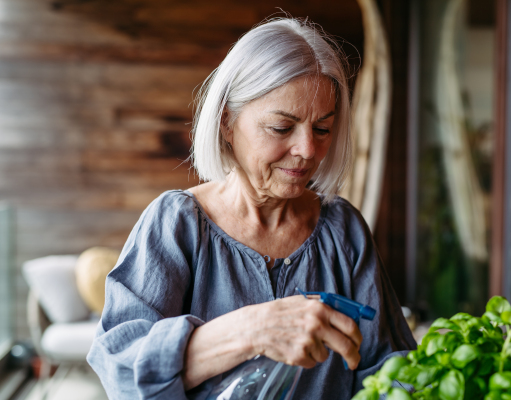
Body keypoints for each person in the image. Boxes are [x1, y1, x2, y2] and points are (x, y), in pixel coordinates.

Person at [87, 17, 416, 400]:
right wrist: (254, 329)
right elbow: (121, 372)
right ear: (227, 121)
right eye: (281, 127)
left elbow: (391, 369)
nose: (308, 150)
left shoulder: (343, 229)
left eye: (323, 129)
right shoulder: (177, 224)